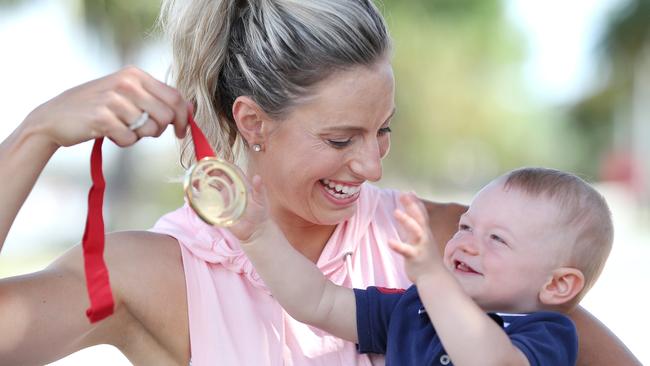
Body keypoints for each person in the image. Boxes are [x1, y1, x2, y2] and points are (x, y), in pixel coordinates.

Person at [0, 0, 640, 365]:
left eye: (383, 130)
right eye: (341, 140)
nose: (373, 168)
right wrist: (34, 135)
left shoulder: (453, 247)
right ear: (252, 121)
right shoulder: (145, 274)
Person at [234, 167, 613, 365]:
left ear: (558, 284)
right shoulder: (413, 308)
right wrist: (260, 237)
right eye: (465, 226)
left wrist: (433, 277)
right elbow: (318, 301)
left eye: (497, 239)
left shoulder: (547, 334)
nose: (467, 242)